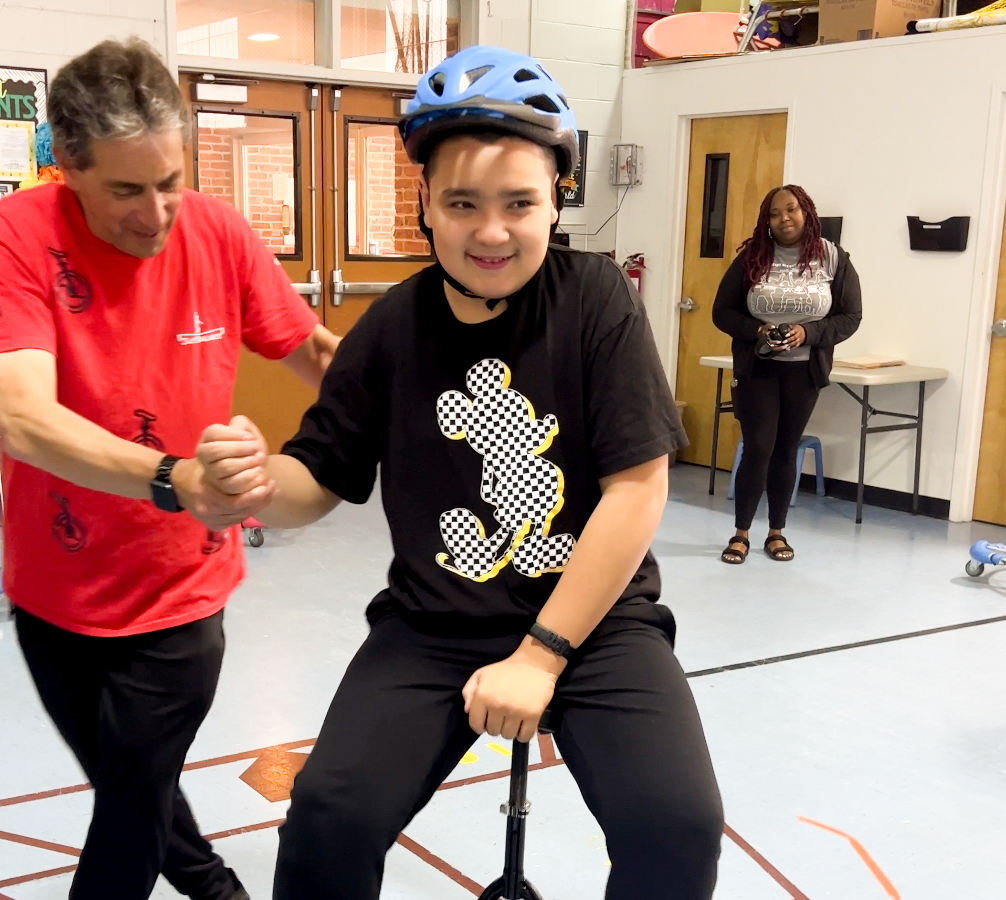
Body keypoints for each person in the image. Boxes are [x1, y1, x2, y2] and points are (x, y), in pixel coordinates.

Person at [197, 45, 723, 900]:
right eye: (462, 203)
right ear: (425, 210)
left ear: (558, 200)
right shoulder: (390, 329)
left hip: (593, 627)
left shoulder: (596, 303)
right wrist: (251, 485)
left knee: (677, 825)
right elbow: (314, 478)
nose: (491, 230)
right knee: (329, 814)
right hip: (435, 625)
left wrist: (543, 654)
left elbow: (636, 491)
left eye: (519, 202)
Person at [0, 39, 339, 900]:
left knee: (126, 813)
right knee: (134, 785)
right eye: (126, 190)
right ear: (66, 167)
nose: (156, 213)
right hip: (54, 591)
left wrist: (439, 399)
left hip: (178, 589)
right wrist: (172, 476)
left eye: (171, 181)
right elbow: (19, 415)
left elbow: (319, 355)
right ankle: (217, 887)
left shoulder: (218, 232)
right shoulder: (20, 237)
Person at [712, 185, 862, 564]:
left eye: (791, 210)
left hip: (804, 372)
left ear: (806, 212)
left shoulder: (832, 257)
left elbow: (850, 316)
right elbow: (723, 312)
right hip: (758, 367)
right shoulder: (752, 258)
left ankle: (776, 533)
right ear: (767, 221)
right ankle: (741, 534)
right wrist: (759, 330)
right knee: (758, 446)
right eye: (775, 214)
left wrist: (807, 333)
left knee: (785, 448)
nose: (784, 219)